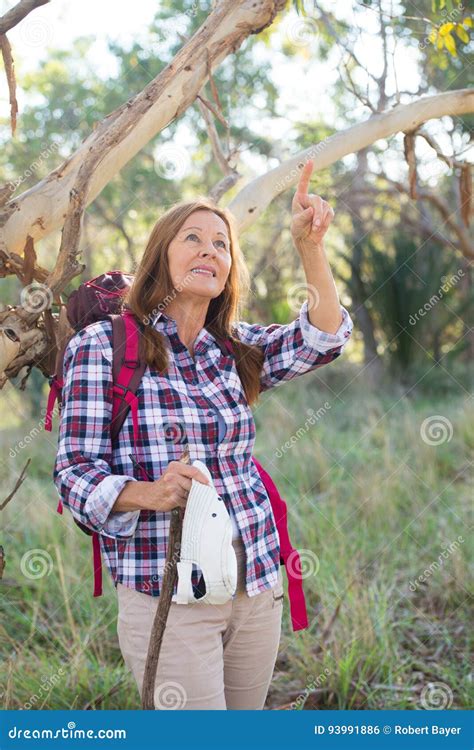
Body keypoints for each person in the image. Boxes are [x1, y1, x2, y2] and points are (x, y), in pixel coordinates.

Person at [53, 159, 353, 710]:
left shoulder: (232, 348)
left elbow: (323, 338)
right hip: (167, 590)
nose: (210, 250)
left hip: (256, 583)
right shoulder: (103, 347)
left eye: (222, 243)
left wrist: (310, 247)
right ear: (160, 257)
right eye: (193, 238)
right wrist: (146, 493)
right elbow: (73, 472)